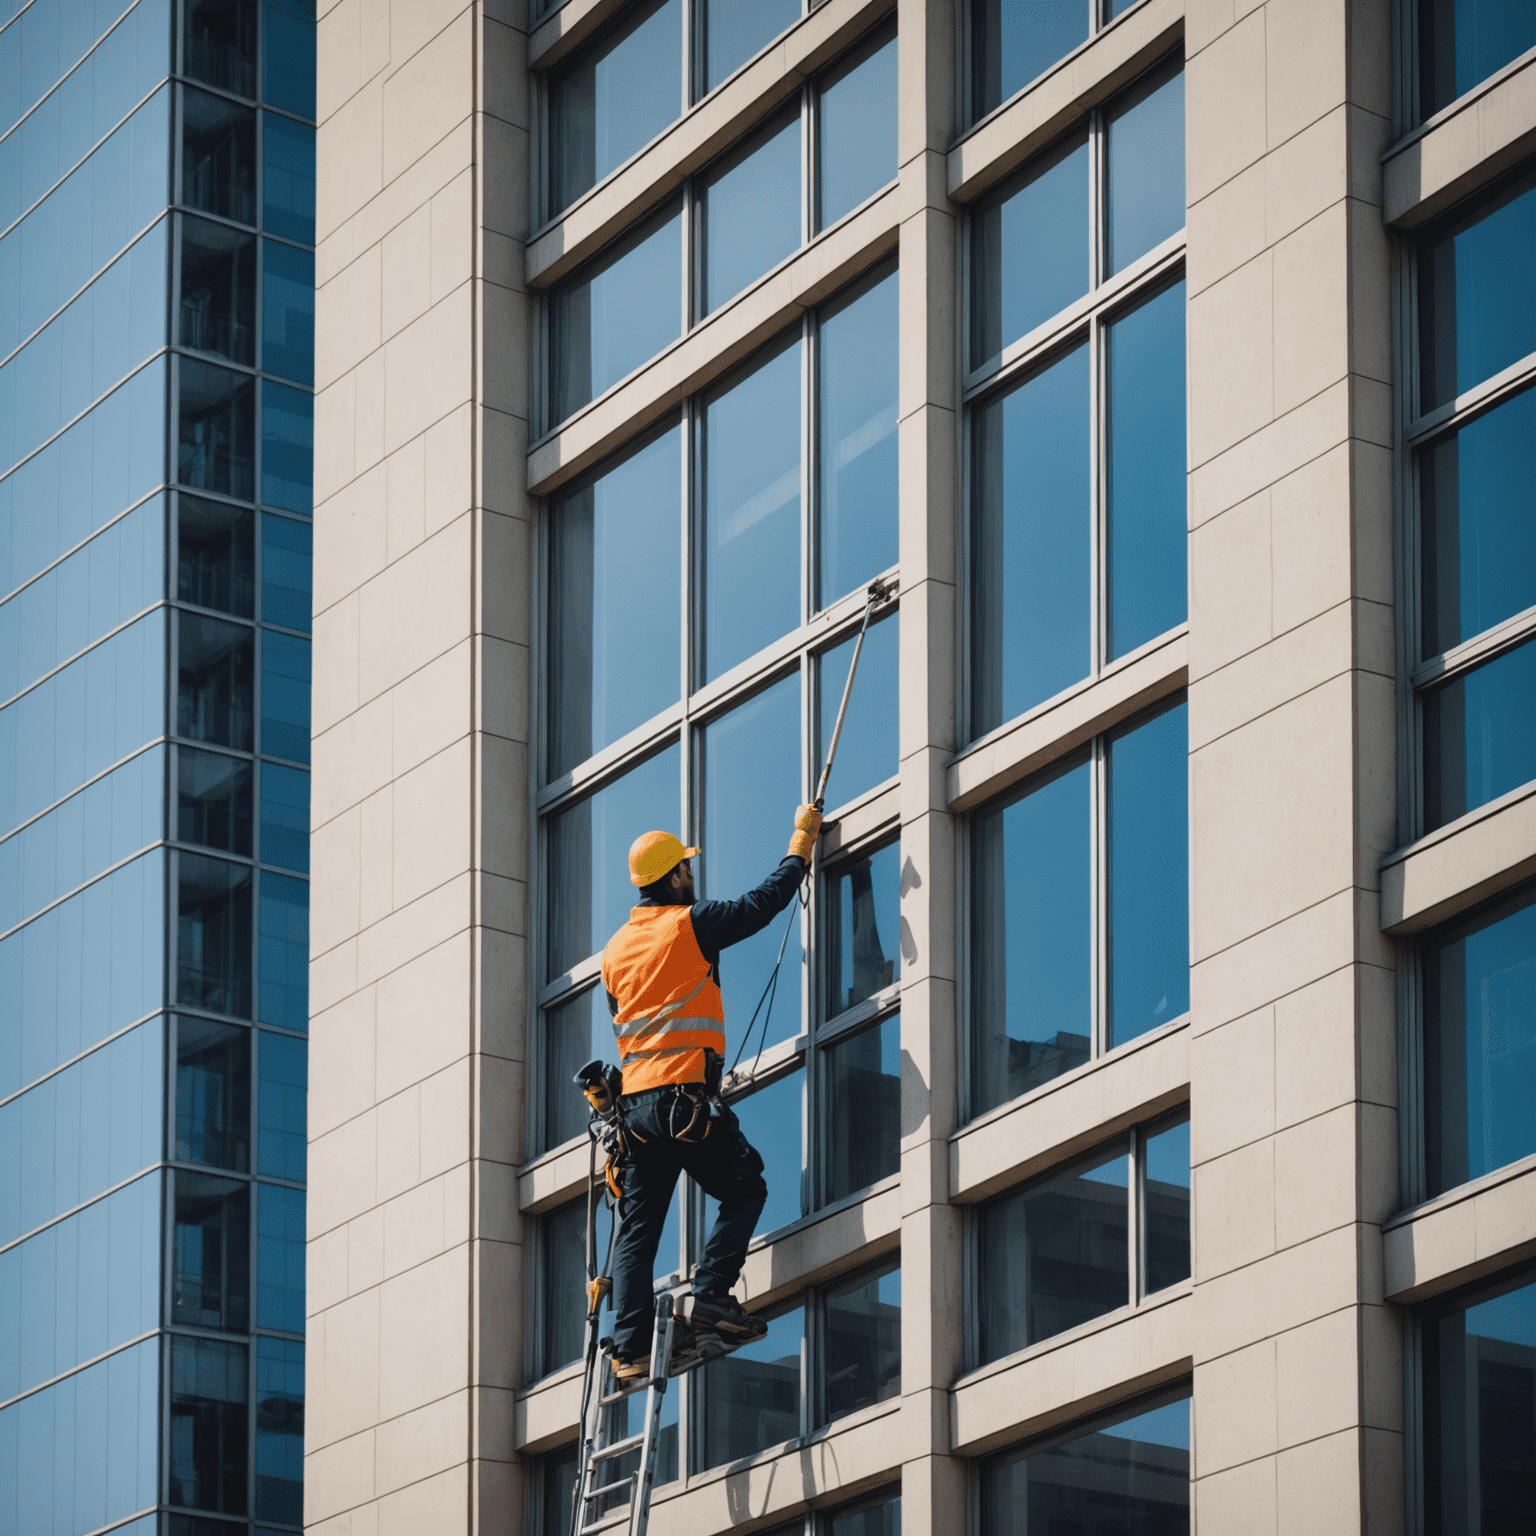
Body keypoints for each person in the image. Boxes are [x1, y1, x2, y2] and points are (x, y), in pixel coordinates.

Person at [599, 804, 824, 1381]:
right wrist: (801, 841)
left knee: (637, 1230)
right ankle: (712, 1299)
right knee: (746, 1187)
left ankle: (629, 1352)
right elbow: (762, 904)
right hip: (682, 1100)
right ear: (673, 876)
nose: (692, 877)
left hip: (636, 1113)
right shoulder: (689, 922)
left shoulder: (615, 950)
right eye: (686, 870)